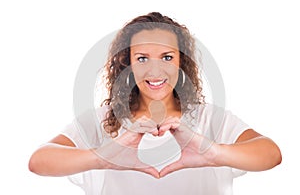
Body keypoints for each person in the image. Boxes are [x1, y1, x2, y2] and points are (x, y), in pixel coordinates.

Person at [29, 12, 282, 195]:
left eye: (167, 57)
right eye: (142, 58)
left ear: (181, 62)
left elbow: (271, 154)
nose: (155, 69)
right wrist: (104, 158)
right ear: (126, 64)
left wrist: (213, 154)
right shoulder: (101, 120)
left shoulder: (209, 119)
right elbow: (39, 160)